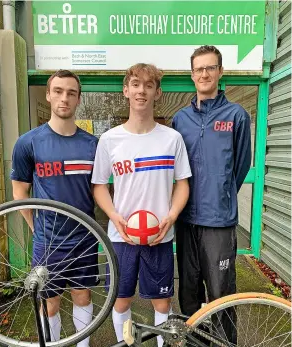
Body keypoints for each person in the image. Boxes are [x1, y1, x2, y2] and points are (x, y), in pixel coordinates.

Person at [92, 63, 191, 346]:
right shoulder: (110, 140)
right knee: (121, 301)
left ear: (157, 93)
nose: (141, 91)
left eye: (149, 86)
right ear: (126, 90)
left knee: (161, 303)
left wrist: (171, 216)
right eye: (136, 84)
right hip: (121, 237)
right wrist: (114, 216)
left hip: (159, 236)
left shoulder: (172, 139)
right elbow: (99, 186)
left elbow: (182, 183)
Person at [11, 70, 98, 347]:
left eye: (71, 93)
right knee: (49, 303)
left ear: (78, 99)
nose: (64, 98)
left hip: (84, 239)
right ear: (48, 95)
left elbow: (99, 190)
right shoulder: (29, 142)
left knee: (83, 297)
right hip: (48, 241)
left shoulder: (92, 144)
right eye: (58, 91)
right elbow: (20, 192)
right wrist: (37, 228)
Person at [172, 45, 251, 343]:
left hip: (218, 222)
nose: (204, 73)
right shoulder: (180, 119)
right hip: (187, 219)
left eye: (210, 68)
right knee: (189, 293)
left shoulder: (237, 115)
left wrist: (221, 193)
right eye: (198, 69)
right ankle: (196, 342)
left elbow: (240, 167)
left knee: (221, 296)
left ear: (220, 72)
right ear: (192, 75)